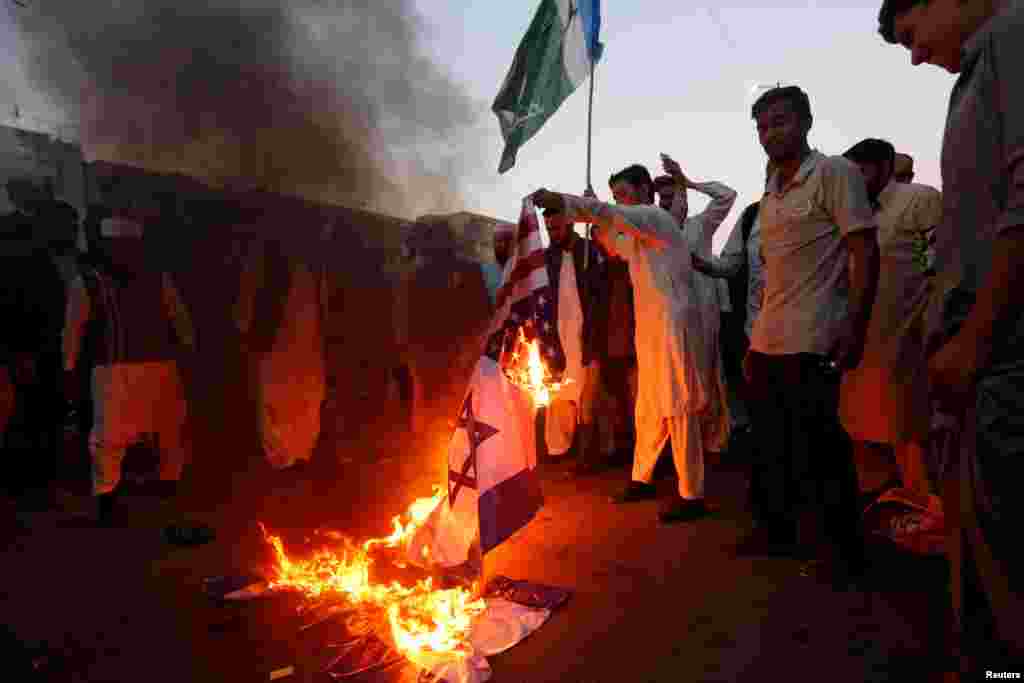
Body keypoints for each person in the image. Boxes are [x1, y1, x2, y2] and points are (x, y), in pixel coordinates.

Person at [878, 0, 1024, 673]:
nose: (913, 55)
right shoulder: (980, 60)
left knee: (1009, 552)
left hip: (1002, 350)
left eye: (911, 34)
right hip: (981, 353)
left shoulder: (1013, 35)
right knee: (983, 538)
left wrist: (975, 337)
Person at [739, 86, 879, 590]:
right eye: (761, 126)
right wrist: (755, 342)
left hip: (815, 336)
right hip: (771, 338)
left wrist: (855, 327)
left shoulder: (835, 173)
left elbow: (864, 251)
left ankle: (844, 552)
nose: (770, 133)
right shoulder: (771, 187)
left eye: (779, 121)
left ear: (806, 122)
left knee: (821, 447)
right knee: (770, 447)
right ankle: (777, 533)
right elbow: (774, 274)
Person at [531, 163, 713, 524]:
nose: (621, 202)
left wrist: (569, 203)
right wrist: (596, 218)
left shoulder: (655, 219)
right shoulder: (639, 233)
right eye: (617, 197)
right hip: (649, 328)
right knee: (648, 407)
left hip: (672, 327)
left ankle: (692, 493)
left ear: (645, 191)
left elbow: (612, 217)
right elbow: (615, 245)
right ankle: (641, 478)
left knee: (677, 406)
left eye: (625, 195)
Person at [62, 203, 195, 526]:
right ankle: (112, 499)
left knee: (156, 431)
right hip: (119, 372)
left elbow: (182, 323)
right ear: (107, 248)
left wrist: (69, 369)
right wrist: (68, 368)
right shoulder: (91, 282)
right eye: (119, 248)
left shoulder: (148, 278)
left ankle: (150, 492)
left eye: (130, 247)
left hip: (146, 370)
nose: (125, 254)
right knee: (117, 437)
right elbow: (73, 331)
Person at [839, 139, 941, 500]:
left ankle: (928, 519)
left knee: (910, 436)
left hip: (907, 342)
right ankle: (882, 515)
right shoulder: (852, 214)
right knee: (860, 431)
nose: (853, 182)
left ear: (884, 167)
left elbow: (941, 267)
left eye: (861, 172)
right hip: (861, 345)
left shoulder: (919, 200)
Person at [655, 155, 737, 455]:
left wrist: (687, 181)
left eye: (672, 196)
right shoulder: (656, 232)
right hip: (671, 319)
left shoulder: (700, 225)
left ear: (682, 198)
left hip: (704, 313)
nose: (667, 203)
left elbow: (727, 195)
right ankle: (687, 447)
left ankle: (713, 442)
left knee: (706, 377)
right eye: (662, 198)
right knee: (680, 380)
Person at [0, 179, 68, 521]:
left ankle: (26, 483)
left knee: (26, 414)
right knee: (36, 413)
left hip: (25, 343)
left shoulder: (22, 249)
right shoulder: (38, 251)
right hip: (35, 342)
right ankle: (36, 483)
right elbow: (52, 299)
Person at [236, 224, 330, 472]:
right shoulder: (305, 268)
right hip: (295, 366)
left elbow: (244, 318)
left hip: (290, 367)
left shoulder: (276, 266)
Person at [540, 202, 604, 472]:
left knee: (585, 393)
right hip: (557, 332)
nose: (553, 233)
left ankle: (587, 454)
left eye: (556, 227)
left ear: (570, 223)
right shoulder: (546, 258)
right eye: (549, 228)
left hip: (585, 331)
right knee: (559, 392)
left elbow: (601, 293)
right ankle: (558, 448)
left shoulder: (589, 251)